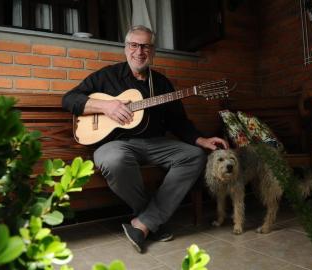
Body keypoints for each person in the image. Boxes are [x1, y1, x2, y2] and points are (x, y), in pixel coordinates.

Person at [62, 25, 228, 253]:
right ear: (126, 48)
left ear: (153, 51)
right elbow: (70, 99)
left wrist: (201, 140)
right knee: (113, 160)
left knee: (194, 156)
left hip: (155, 144)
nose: (139, 51)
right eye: (134, 45)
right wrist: (106, 105)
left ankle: (143, 223)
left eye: (146, 46)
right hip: (114, 144)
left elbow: (178, 121)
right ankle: (152, 220)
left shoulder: (161, 84)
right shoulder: (107, 76)